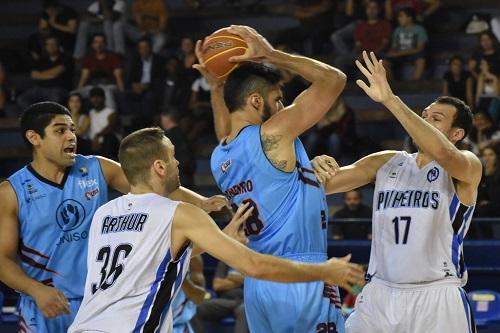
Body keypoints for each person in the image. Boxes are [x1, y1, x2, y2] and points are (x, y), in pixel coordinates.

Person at [67, 127, 365, 333]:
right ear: (158, 167)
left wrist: (221, 239)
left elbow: (151, 257)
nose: (178, 163)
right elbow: (254, 265)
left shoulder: (104, 214)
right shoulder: (179, 213)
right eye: (172, 157)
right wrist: (324, 271)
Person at [0, 101, 238, 333]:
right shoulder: (11, 192)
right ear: (34, 138)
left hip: (98, 305)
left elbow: (151, 181)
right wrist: (35, 290)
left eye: (72, 129)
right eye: (60, 131)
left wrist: (201, 202)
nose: (71, 136)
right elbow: (3, 260)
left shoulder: (96, 168)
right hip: (45, 305)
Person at [196, 25, 351, 332]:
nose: (282, 107)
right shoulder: (274, 133)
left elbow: (225, 131)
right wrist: (272, 54)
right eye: (278, 99)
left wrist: (216, 87)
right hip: (300, 274)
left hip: (259, 283)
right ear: (255, 101)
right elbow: (335, 80)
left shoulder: (220, 156)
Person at [313, 51, 481, 333]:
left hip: (437, 295)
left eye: (436, 119)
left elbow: (442, 152)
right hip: (379, 293)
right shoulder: (387, 160)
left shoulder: (466, 165)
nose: (424, 121)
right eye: (423, 115)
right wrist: (314, 166)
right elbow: (325, 186)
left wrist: (390, 99)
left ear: (457, 134)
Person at [17, 35, 73, 110]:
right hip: (40, 88)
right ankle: (35, 116)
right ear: (46, 46)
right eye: (48, 44)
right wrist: (49, 74)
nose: (51, 46)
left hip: (58, 88)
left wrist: (42, 74)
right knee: (22, 99)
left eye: (53, 44)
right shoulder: (42, 60)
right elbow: (34, 75)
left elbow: (54, 74)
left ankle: (46, 119)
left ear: (58, 46)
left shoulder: (66, 58)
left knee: (54, 99)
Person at [193, 261, 248, 333]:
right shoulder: (225, 260)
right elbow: (217, 285)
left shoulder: (251, 259)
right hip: (226, 301)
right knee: (197, 307)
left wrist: (231, 278)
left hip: (245, 301)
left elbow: (254, 281)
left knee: (244, 310)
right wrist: (242, 279)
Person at [384, 7, 428, 80]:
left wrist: (400, 53)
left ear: (409, 18)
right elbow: (394, 47)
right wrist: (390, 52)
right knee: (384, 62)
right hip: (399, 55)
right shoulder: (397, 30)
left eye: (401, 16)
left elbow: (420, 48)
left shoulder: (420, 29)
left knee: (421, 60)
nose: (398, 19)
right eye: (398, 17)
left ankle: (414, 83)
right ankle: (392, 85)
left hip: (413, 54)